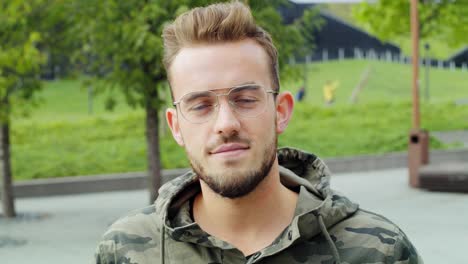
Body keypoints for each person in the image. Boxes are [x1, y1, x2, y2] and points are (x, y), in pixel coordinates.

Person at [95, 2, 422, 263]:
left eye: (245, 99)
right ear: (176, 126)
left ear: (281, 112)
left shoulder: (377, 250)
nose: (226, 123)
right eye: (200, 105)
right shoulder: (125, 250)